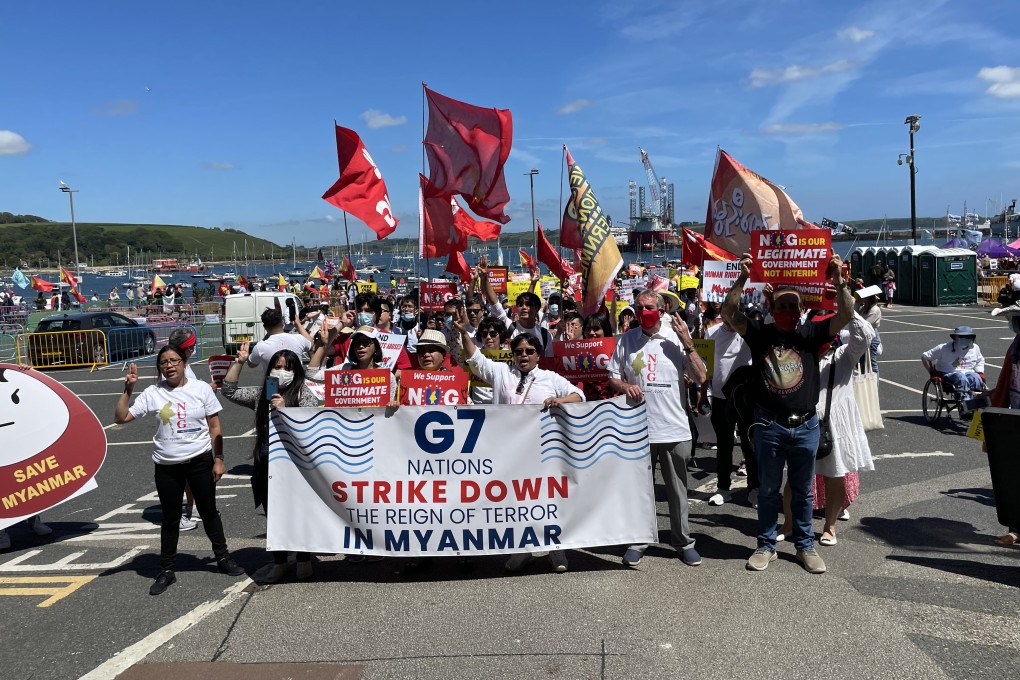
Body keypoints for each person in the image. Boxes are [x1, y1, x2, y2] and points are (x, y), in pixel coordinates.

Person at [720, 251, 853, 574]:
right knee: (768, 491)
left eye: (794, 306)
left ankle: (805, 546)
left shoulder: (811, 335)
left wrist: (838, 280)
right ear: (772, 308)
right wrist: (743, 277)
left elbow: (847, 314)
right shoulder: (759, 335)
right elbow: (729, 312)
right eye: (782, 306)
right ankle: (766, 546)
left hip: (805, 427)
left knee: (803, 493)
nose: (788, 311)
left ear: (802, 309)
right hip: (769, 426)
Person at [456, 310, 583, 573]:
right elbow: (475, 358)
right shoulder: (502, 372)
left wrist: (560, 400)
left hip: (543, 452)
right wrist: (463, 332)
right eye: (519, 352)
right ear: (512, 354)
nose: (524, 355)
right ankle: (522, 550)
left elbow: (578, 396)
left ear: (538, 355)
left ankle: (556, 551)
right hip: (509, 452)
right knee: (517, 502)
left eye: (529, 351)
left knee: (548, 500)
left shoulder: (550, 378)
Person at [114, 347, 245, 595]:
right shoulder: (153, 393)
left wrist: (218, 459)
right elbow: (121, 418)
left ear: (184, 363)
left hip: (199, 461)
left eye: (174, 360)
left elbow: (215, 427)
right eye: (164, 362)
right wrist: (128, 389)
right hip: (167, 466)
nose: (169, 365)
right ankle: (166, 570)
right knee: (171, 518)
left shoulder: (201, 389)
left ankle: (223, 558)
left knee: (209, 512)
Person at [608, 289, 707, 568]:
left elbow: (701, 376)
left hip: (673, 428)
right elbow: (613, 375)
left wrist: (688, 342)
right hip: (638, 430)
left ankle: (683, 542)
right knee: (641, 490)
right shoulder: (627, 339)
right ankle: (639, 540)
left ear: (661, 311)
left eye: (649, 307)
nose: (643, 313)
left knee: (677, 491)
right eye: (638, 308)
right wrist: (625, 386)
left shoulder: (676, 337)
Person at [222, 344, 319, 581]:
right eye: (277, 367)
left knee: (298, 513)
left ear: (296, 372)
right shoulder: (262, 394)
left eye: (287, 368)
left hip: (295, 465)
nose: (281, 371)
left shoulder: (304, 394)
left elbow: (311, 427)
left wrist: (287, 410)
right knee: (273, 514)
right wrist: (239, 363)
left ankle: (304, 558)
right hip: (267, 463)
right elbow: (229, 391)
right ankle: (280, 561)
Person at [778, 313, 876, 546]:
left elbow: (865, 335)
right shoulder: (800, 354)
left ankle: (830, 526)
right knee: (794, 478)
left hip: (833, 426)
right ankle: (789, 523)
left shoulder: (843, 355)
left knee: (835, 475)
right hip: (802, 422)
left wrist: (847, 310)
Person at [701, 312, 752, 507]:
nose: (731, 323)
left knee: (749, 444)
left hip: (745, 398)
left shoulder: (748, 331)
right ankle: (723, 488)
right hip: (720, 398)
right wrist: (703, 395)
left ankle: (754, 489)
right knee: (724, 445)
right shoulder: (711, 333)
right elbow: (706, 367)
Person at [989, 305, 1020, 546]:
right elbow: (1004, 384)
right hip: (1015, 418)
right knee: (1013, 474)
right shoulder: (1015, 348)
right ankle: (1016, 528)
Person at [921, 326, 986, 400]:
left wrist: (980, 372)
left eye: (968, 337)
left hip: (968, 372)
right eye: (961, 337)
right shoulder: (943, 348)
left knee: (976, 378)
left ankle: (976, 399)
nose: (965, 339)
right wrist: (932, 373)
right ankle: (965, 400)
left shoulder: (975, 348)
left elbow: (980, 360)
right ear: (955, 337)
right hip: (948, 372)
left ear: (972, 338)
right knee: (961, 378)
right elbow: (925, 357)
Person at [247, 308, 314, 374]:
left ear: (265, 327)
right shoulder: (298, 338)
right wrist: (298, 324)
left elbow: (251, 364)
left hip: (272, 380)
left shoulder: (260, 347)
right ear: (282, 322)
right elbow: (311, 343)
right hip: (297, 380)